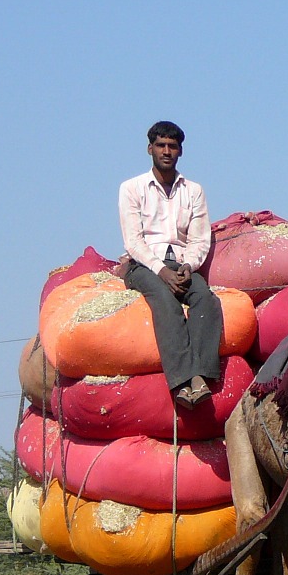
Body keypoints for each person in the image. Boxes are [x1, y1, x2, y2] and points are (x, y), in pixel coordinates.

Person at [118, 120, 223, 407]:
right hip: (144, 265)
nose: (167, 151)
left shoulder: (194, 191)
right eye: (161, 145)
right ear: (150, 149)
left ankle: (201, 376)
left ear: (180, 152)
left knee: (206, 299)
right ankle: (181, 382)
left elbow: (200, 238)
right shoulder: (132, 188)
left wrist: (189, 265)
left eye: (173, 146)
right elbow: (133, 241)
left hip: (181, 264)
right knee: (166, 303)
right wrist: (161, 271)